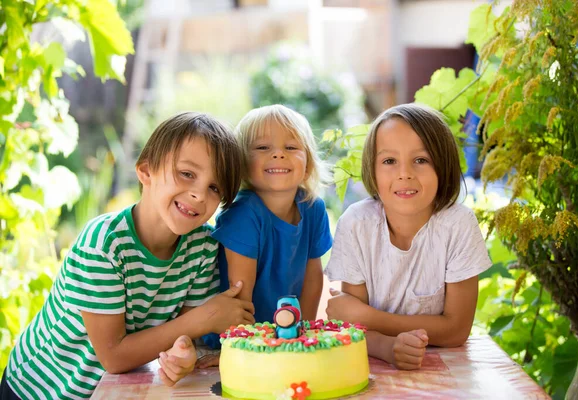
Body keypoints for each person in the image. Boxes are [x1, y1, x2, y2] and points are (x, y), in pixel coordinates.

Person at [0, 112, 255, 400]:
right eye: (187, 174)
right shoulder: (103, 245)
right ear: (146, 171)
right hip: (39, 389)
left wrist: (183, 353)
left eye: (214, 187)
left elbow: (182, 336)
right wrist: (207, 317)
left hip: (108, 391)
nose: (199, 194)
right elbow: (114, 356)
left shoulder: (203, 246)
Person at [325, 104, 492, 370]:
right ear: (372, 168)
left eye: (421, 160)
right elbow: (355, 329)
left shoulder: (458, 224)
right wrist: (387, 346)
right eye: (389, 161)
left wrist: (369, 317)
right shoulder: (357, 224)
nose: (405, 173)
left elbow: (456, 330)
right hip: (375, 362)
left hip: (450, 367)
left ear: (443, 166)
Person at [212, 104, 332, 326]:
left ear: (307, 164)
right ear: (242, 163)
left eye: (291, 147)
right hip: (235, 332)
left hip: (285, 330)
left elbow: (313, 280)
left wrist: (303, 332)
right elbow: (239, 293)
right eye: (263, 147)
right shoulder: (243, 215)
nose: (278, 154)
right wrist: (247, 346)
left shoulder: (313, 208)